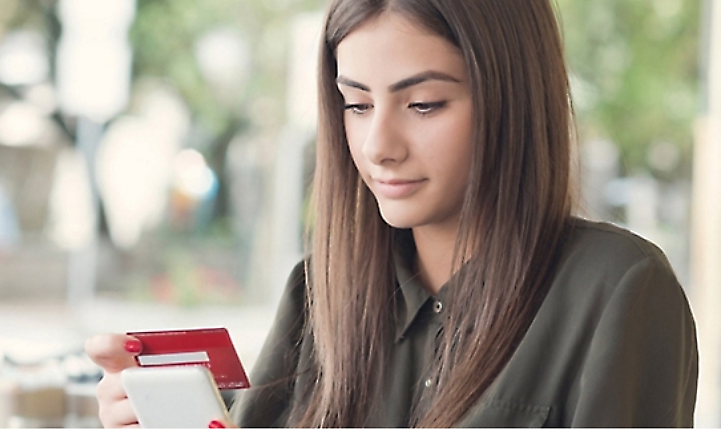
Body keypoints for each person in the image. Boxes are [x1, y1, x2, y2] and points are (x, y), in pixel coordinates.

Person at [85, 0, 699, 426]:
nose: (379, 144)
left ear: (510, 95)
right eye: (355, 104)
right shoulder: (318, 293)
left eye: (425, 104)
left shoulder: (618, 290)